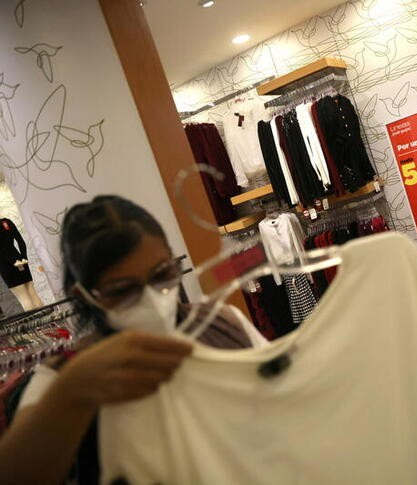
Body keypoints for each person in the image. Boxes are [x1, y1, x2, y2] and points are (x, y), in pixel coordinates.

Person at [0, 195, 265, 484]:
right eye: (123, 290)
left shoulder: (224, 323)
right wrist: (72, 390)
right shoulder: (60, 377)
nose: (152, 297)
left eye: (162, 274)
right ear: (85, 296)